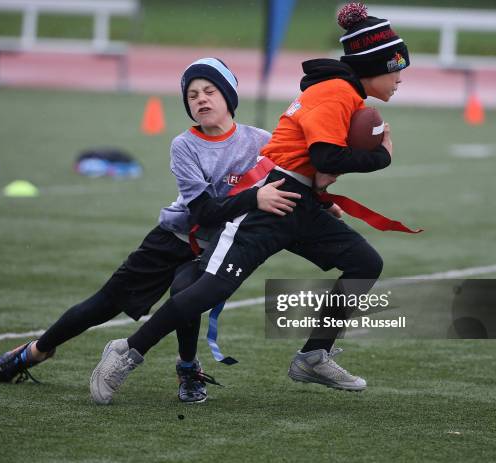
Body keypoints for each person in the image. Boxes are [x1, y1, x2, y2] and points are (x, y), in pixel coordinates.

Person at [90, 2, 411, 403]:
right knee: (207, 290)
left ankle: (314, 354)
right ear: (372, 65)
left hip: (300, 200)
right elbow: (328, 156)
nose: (400, 77)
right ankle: (126, 352)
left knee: (366, 263)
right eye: (396, 67)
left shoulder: (343, 93)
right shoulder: (335, 93)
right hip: (274, 200)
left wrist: (321, 189)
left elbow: (318, 159)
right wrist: (382, 156)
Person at [0, 57, 300, 404]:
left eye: (210, 91)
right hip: (174, 239)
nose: (201, 99)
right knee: (104, 304)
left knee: (187, 295)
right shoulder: (184, 146)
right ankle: (34, 352)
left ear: (228, 96)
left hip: (219, 247)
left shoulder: (261, 142)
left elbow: (294, 179)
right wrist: (256, 197)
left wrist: (325, 201)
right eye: (192, 95)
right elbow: (205, 212)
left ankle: (188, 370)